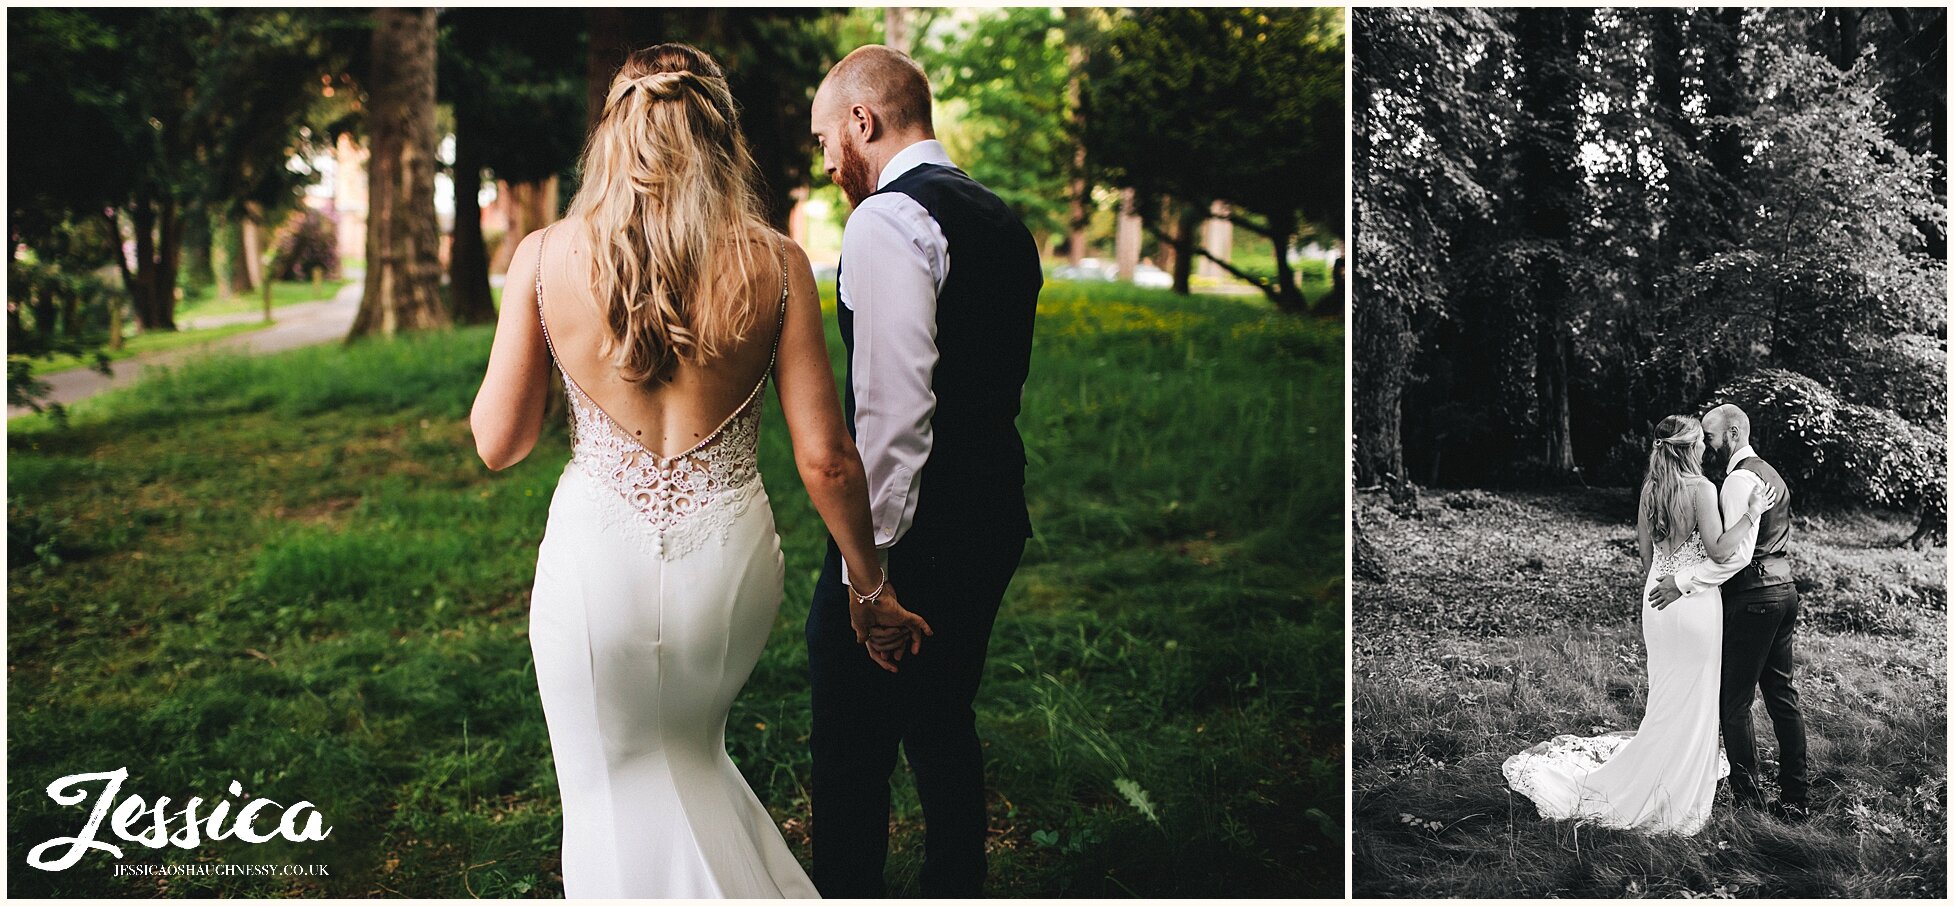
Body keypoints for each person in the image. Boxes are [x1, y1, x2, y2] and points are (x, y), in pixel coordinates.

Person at [469, 42, 930, 898]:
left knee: (609, 793)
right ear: (724, 139)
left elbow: (498, 442)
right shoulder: (779, 263)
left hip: (593, 563)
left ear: (611, 136)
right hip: (725, 565)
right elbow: (826, 459)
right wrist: (871, 592)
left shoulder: (542, 257)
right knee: (690, 758)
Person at [802, 44, 1042, 896]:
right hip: (992, 516)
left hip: (918, 536)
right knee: (944, 724)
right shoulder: (998, 217)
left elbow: (894, 418)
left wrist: (872, 581)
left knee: (851, 751)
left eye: (827, 140)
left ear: (862, 121)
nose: (828, 164)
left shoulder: (886, 220)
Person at [1503, 415, 1777, 835]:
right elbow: (1722, 552)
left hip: (1658, 603)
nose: (1706, 446)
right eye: (1701, 442)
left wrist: (1665, 577)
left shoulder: (1651, 490)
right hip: (1694, 605)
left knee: (1665, 696)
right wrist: (1751, 513)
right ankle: (1677, 791)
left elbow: (1647, 557)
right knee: (1695, 699)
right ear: (1690, 449)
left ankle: (1654, 775)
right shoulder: (1702, 490)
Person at [1647, 403, 1810, 823]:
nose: (1708, 445)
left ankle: (1750, 799)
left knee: (1733, 703)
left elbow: (1733, 555)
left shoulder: (1738, 480)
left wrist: (1682, 583)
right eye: (1702, 438)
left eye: (1713, 436)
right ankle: (1795, 796)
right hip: (1783, 589)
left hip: (1754, 597)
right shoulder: (1769, 472)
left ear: (1733, 433)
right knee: (1781, 695)